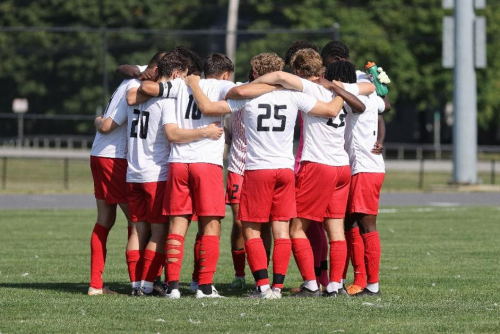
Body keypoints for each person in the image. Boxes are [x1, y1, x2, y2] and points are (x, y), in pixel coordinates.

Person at [184, 62, 345, 299]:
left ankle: (263, 286)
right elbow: (331, 110)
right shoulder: (293, 96)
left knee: (250, 230)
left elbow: (207, 107)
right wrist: (340, 91)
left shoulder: (246, 97)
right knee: (281, 230)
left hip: (258, 169)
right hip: (285, 170)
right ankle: (278, 288)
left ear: (257, 74)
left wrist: (194, 85)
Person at [251, 49, 373, 297]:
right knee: (335, 229)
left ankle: (310, 283)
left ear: (298, 71)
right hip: (341, 166)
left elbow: (278, 76)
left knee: (296, 228)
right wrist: (339, 86)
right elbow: (369, 88)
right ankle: (335, 285)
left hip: (317, 164)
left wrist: (249, 86)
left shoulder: (306, 87)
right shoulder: (340, 86)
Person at [136, 53, 236, 298]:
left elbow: (148, 89)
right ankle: (204, 287)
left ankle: (172, 287)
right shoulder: (224, 85)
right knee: (210, 225)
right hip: (206, 163)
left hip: (178, 164)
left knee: (177, 226)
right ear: (225, 74)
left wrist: (143, 75)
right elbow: (247, 92)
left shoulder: (177, 87)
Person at [95, 51, 187, 296]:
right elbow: (172, 135)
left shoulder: (131, 94)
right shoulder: (168, 101)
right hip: (156, 175)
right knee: (159, 231)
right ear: (174, 75)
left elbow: (110, 120)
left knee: (137, 230)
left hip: (133, 174)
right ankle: (147, 283)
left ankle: (136, 284)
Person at [325, 60, 389, 296]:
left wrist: (334, 87)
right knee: (349, 222)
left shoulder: (353, 91)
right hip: (358, 166)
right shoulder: (363, 89)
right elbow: (384, 109)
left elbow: (362, 108)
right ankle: (355, 280)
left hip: (365, 167)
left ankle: (372, 285)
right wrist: (380, 139)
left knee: (366, 225)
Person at [225, 53, 284, 291]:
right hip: (240, 166)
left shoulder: (286, 93)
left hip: (267, 165)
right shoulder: (241, 89)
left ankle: (263, 277)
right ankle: (240, 275)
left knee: (268, 224)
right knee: (240, 223)